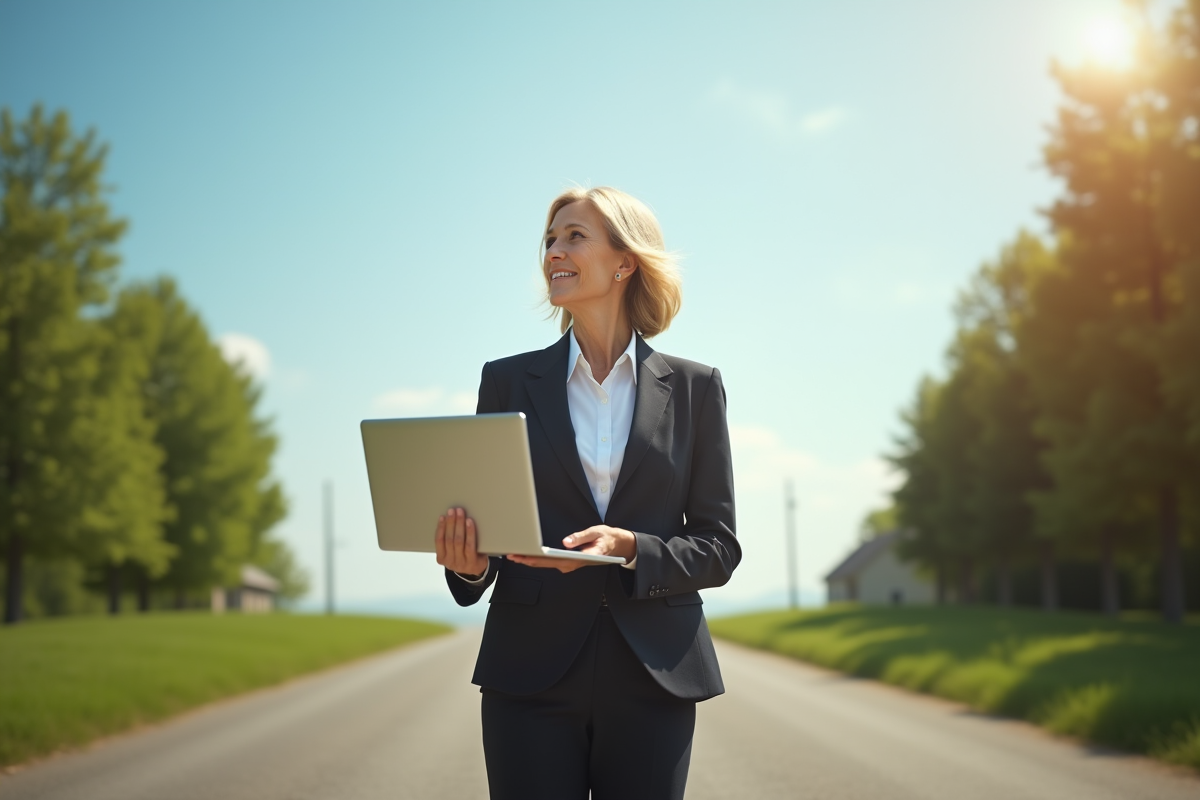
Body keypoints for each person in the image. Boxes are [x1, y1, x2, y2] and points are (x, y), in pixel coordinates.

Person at [434, 186, 740, 800]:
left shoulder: (695, 388)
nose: (554, 251)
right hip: (530, 673)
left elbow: (717, 547)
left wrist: (630, 547)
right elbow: (489, 532)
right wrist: (468, 568)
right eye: (549, 239)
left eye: (574, 236)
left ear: (625, 262)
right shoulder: (506, 381)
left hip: (655, 673)